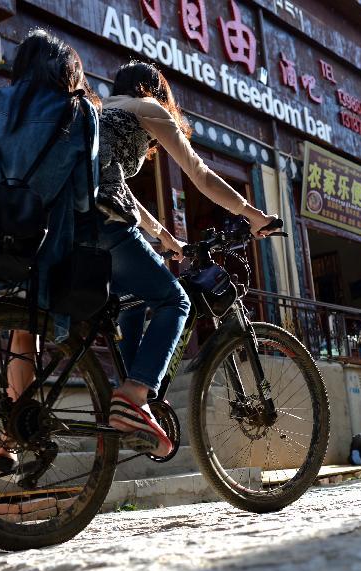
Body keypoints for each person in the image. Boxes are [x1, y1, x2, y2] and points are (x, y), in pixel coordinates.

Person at [0, 29, 99, 487]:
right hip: (41, 253)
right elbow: (85, 196)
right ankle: (9, 444)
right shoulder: (78, 110)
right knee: (25, 341)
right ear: (65, 70)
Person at [96, 61, 279, 457]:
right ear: (151, 89)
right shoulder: (147, 108)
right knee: (176, 300)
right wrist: (253, 214)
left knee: (133, 300)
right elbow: (200, 175)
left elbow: (117, 188)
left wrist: (165, 238)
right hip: (106, 223)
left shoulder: (102, 112)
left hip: (79, 226)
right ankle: (134, 395)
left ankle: (127, 401)